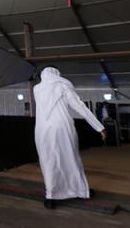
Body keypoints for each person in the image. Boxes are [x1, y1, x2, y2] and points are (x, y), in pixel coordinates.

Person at [34, 66, 106, 209]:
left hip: (42, 129)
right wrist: (99, 126)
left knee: (48, 161)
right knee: (70, 158)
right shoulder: (62, 86)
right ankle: (81, 191)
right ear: (56, 74)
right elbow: (79, 106)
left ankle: (51, 196)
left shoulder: (37, 89)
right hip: (62, 127)